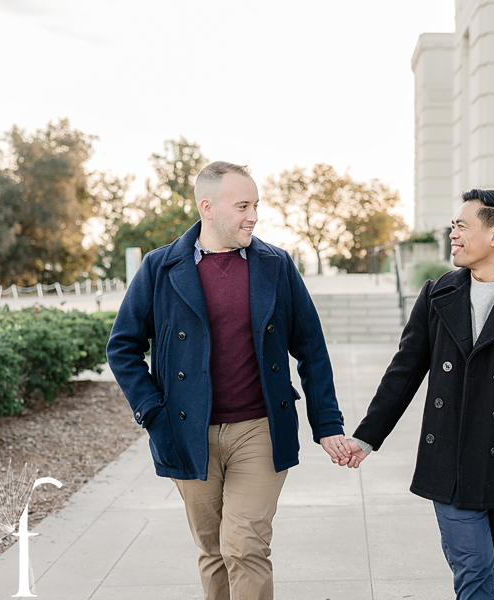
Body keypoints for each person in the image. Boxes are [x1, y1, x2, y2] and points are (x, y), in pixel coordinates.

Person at [106, 161, 351, 600]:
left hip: (260, 429)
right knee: (213, 549)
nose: (253, 216)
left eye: (256, 205)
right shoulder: (160, 267)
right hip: (187, 432)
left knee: (244, 547)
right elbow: (122, 347)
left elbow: (311, 347)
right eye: (242, 206)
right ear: (208, 207)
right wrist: (154, 414)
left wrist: (327, 422)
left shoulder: (275, 264)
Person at [340, 189, 494, 600]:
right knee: (476, 568)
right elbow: (404, 372)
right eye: (453, 226)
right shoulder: (437, 294)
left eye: (462, 226)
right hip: (448, 460)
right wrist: (367, 436)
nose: (453, 234)